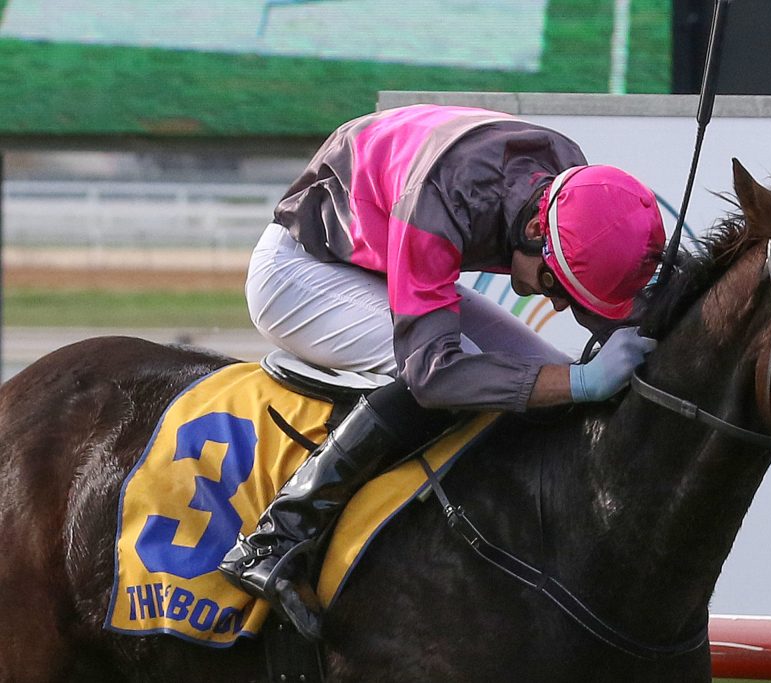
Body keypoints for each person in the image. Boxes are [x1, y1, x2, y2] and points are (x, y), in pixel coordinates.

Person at [218, 104, 666, 640]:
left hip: (376, 253)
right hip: (300, 272)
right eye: (553, 287)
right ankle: (277, 536)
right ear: (534, 228)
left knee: (545, 378)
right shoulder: (445, 201)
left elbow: (589, 285)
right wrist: (581, 381)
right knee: (464, 376)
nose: (557, 305)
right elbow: (433, 374)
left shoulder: (570, 188)